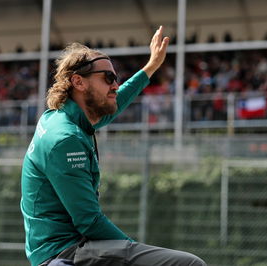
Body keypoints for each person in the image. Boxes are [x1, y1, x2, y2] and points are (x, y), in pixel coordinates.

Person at [20, 26, 206, 266]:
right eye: (108, 78)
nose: (115, 85)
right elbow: (88, 221)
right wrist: (132, 248)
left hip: (60, 248)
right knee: (189, 264)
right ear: (78, 81)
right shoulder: (66, 140)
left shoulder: (59, 117)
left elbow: (116, 103)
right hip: (64, 253)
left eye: (115, 78)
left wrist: (150, 67)